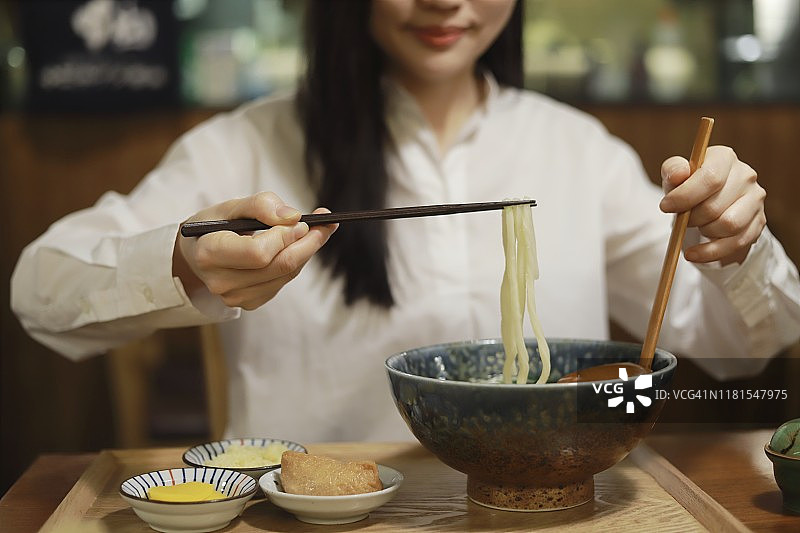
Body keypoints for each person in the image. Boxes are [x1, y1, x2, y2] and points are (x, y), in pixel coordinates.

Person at [11, 0, 800, 442]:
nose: (445, 1)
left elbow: (745, 349)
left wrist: (738, 244)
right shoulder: (246, 144)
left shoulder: (575, 149)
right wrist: (182, 265)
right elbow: (39, 289)